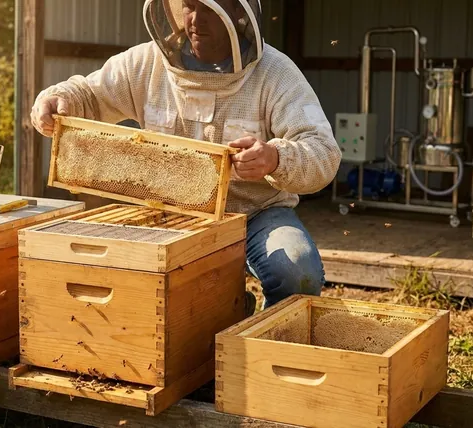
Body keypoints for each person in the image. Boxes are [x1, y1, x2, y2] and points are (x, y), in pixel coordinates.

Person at [31, 0, 342, 315]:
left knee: (295, 270)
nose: (195, 20)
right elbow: (87, 95)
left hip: (255, 214)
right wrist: (58, 100)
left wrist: (275, 157)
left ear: (238, 13)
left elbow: (323, 152)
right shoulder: (145, 64)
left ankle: (267, 346)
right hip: (167, 213)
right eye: (190, 6)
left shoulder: (276, 73)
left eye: (210, 10)